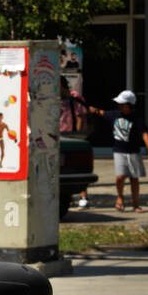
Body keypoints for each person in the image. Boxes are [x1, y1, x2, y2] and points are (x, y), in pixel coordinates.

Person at [90, 89, 148, 212]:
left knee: (134, 178)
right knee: (120, 176)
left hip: (134, 151)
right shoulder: (114, 114)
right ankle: (120, 198)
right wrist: (94, 110)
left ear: (130, 105)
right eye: (119, 103)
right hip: (119, 150)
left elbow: (144, 134)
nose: (119, 106)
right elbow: (102, 113)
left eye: (122, 104)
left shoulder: (136, 118)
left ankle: (135, 204)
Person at [59, 76, 92, 207]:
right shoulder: (53, 98)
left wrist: (78, 134)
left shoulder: (74, 97)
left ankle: (83, 197)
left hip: (72, 134)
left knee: (78, 168)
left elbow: (80, 117)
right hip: (57, 133)